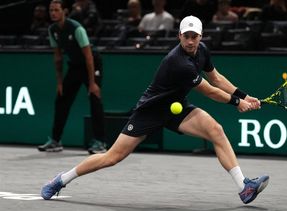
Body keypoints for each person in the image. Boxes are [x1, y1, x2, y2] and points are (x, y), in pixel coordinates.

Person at [40, 15, 269, 204]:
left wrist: (245, 96)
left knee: (216, 130)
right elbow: (209, 90)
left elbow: (217, 78)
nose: (190, 41)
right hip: (150, 111)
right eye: (186, 36)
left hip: (176, 108)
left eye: (194, 37)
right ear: (179, 36)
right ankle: (61, 180)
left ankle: (244, 188)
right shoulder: (178, 62)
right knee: (112, 157)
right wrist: (237, 103)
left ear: (201, 37)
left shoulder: (203, 51)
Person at [37, 0, 107, 154]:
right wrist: (60, 82)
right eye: (51, 10)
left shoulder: (76, 28)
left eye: (56, 10)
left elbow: (88, 57)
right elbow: (58, 58)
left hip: (92, 63)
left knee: (95, 99)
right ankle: (55, 141)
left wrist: (92, 83)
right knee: (61, 99)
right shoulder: (52, 30)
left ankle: (100, 142)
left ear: (64, 11)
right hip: (75, 66)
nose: (53, 13)